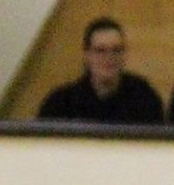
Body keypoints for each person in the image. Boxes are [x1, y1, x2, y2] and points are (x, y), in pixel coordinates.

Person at [36, 17, 164, 124]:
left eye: (116, 50)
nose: (109, 57)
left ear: (124, 55)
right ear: (86, 55)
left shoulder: (144, 99)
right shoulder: (60, 105)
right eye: (100, 51)